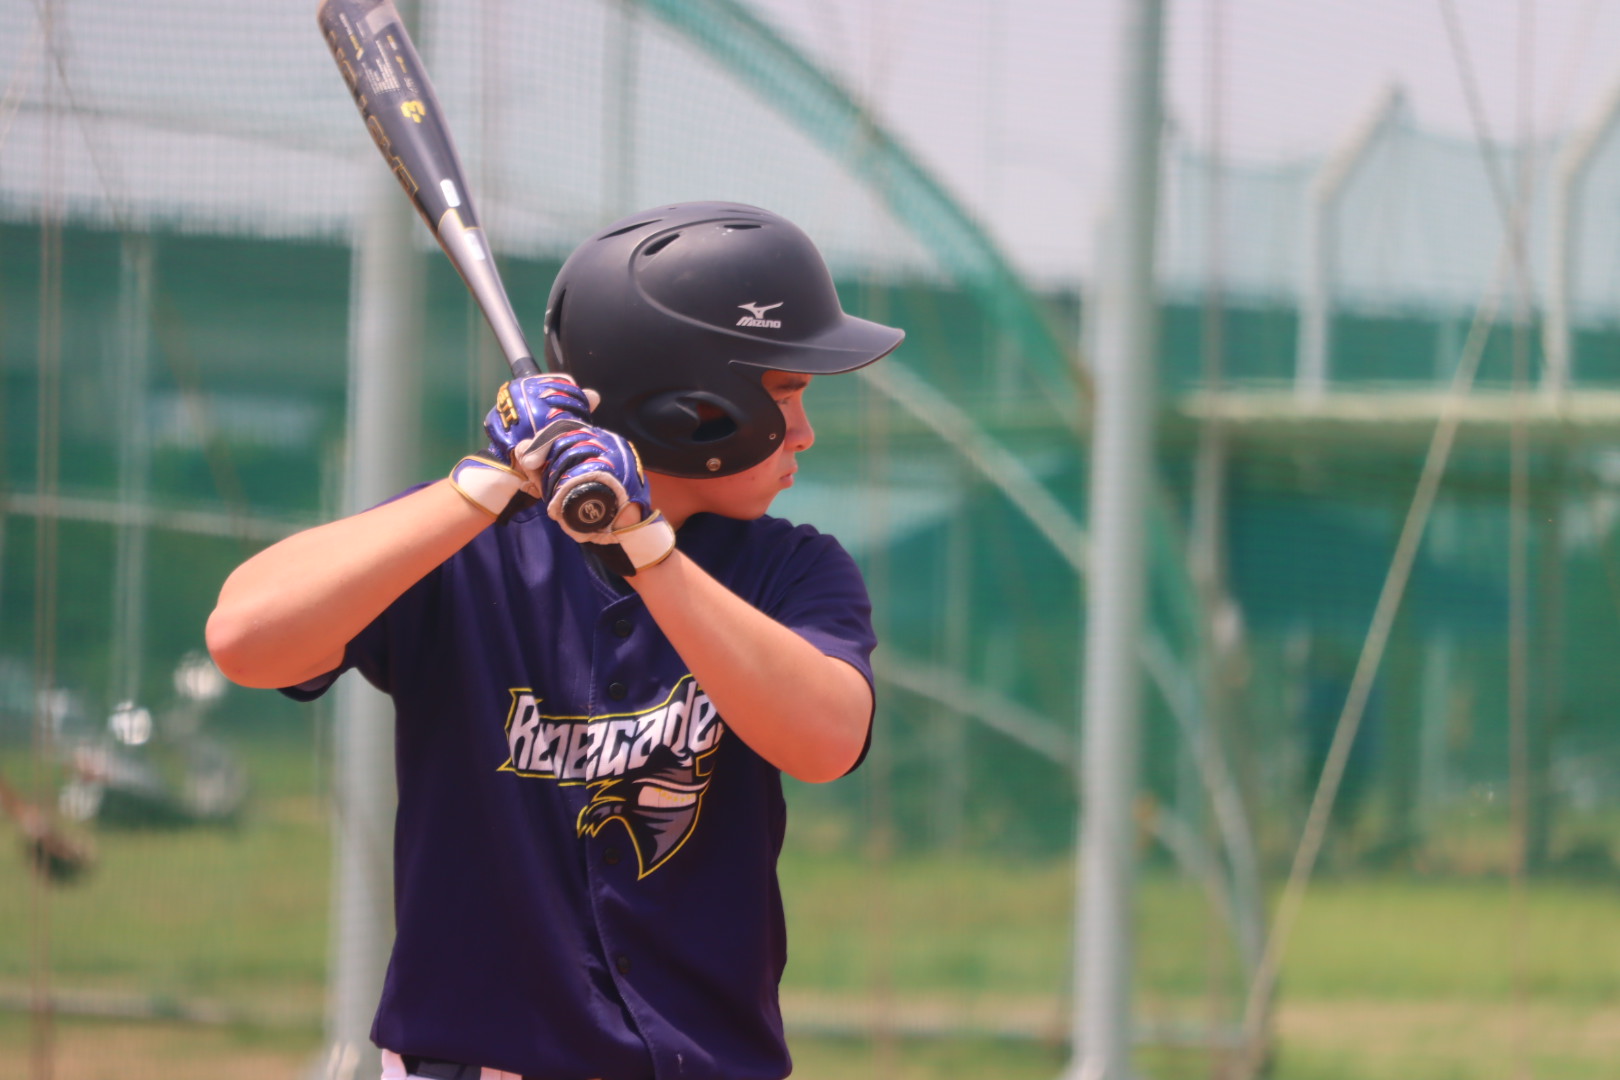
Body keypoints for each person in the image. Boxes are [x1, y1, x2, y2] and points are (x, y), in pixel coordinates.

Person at [206, 201, 904, 1080]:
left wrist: (646, 550)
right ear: (695, 405)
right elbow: (244, 639)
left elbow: (826, 740)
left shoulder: (791, 568)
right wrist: (484, 484)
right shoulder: (467, 544)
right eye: (786, 395)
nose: (804, 431)